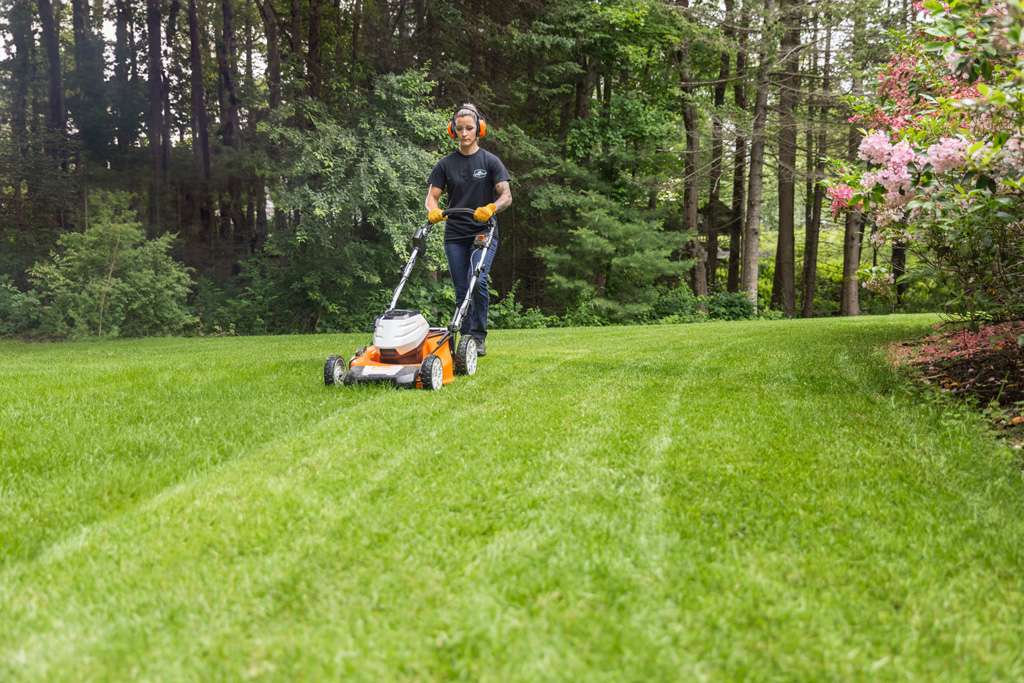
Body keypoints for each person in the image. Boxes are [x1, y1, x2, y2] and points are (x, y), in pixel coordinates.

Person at [425, 103, 512, 356]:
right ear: (453, 130)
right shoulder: (445, 164)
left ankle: (479, 336)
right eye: (460, 128)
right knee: (461, 288)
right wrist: (433, 210)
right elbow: (432, 197)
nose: (464, 133)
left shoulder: (490, 161)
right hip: (454, 234)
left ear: (479, 130)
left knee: (479, 280)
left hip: (484, 230)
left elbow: (506, 196)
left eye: (469, 128)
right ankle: (466, 342)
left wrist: (492, 208)